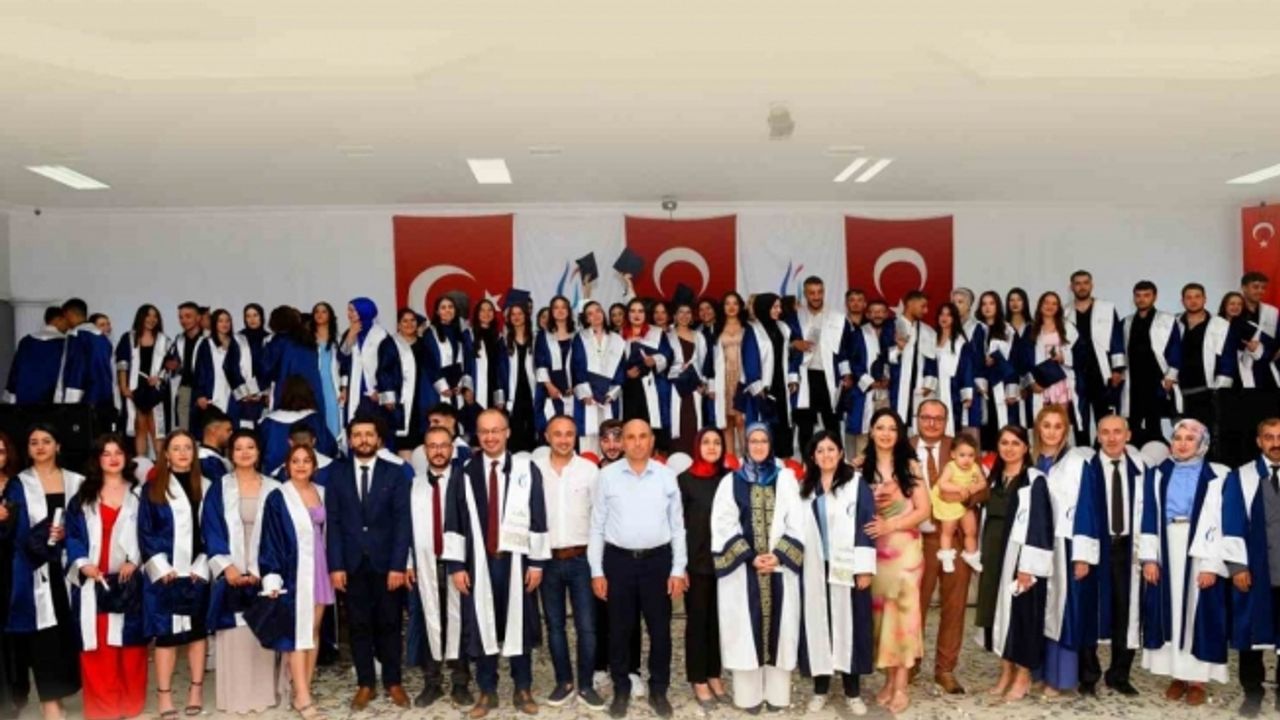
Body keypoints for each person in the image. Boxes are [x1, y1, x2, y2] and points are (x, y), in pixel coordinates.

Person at [443, 409, 549, 718]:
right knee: (482, 626)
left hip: (516, 561)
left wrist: (537, 563)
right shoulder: (465, 472)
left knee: (519, 624)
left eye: (496, 430)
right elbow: (453, 520)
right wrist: (456, 566)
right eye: (484, 431)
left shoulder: (526, 469)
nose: (490, 437)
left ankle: (523, 688)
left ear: (507, 433)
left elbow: (538, 514)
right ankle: (487, 690)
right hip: (478, 563)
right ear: (477, 435)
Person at [589, 419, 686, 718]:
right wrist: (597, 571)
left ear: (652, 440)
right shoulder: (607, 476)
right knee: (619, 630)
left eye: (643, 436)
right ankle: (621, 688)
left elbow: (678, 526)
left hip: (658, 562)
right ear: (623, 442)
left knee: (660, 631)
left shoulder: (666, 476)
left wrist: (678, 569)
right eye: (630, 437)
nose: (637, 442)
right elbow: (597, 526)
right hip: (618, 562)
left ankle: (659, 690)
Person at [710, 423, 804, 713]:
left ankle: (777, 696)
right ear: (746, 445)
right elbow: (723, 524)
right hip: (744, 571)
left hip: (779, 569)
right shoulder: (731, 482)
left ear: (770, 444)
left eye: (764, 440)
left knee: (781, 631)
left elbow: (797, 521)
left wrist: (778, 556)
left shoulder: (785, 479)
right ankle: (748, 697)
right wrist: (750, 556)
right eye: (754, 441)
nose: (759, 446)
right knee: (744, 634)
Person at [1138, 418, 1230, 704]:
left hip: (1201, 547)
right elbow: (1148, 515)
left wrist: (1211, 564)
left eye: (1190, 439)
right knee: (1171, 610)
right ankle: (1177, 675)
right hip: (1167, 545)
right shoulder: (1157, 474)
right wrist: (1149, 558)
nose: (1182, 444)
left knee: (1197, 611)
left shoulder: (1219, 475)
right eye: (1178, 438)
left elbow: (1223, 521)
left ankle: (1198, 680)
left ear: (1202, 444)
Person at [325, 414, 413, 710]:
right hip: (351, 565)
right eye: (357, 435)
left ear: (379, 439)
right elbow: (334, 523)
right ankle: (365, 684)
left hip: (387, 565)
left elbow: (403, 522)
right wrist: (336, 565)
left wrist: (398, 565)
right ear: (350, 441)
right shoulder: (337, 475)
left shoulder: (395, 473)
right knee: (358, 625)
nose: (363, 440)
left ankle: (393, 682)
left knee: (390, 623)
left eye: (369, 434)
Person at [4, 425, 84, 720]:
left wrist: (68, 533)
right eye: (33, 442)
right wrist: (41, 539)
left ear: (58, 446)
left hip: (69, 565)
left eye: (46, 441)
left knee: (66, 634)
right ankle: (50, 702)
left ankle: (62, 694)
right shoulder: (19, 484)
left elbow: (87, 523)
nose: (40, 447)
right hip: (34, 566)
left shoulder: (77, 481)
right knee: (44, 637)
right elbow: (13, 529)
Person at [65, 434, 147, 720]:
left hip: (128, 581)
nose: (113, 458)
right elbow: (73, 536)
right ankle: (104, 710)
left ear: (127, 457)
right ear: (97, 459)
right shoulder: (84, 497)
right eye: (106, 453)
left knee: (131, 646)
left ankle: (130, 705)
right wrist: (83, 563)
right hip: (94, 581)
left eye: (118, 452)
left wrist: (134, 560)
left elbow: (150, 532)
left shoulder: (140, 495)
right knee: (98, 647)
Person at [200, 429, 279, 714]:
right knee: (234, 633)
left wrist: (262, 569)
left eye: (250, 447)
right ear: (230, 454)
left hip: (263, 569)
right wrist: (227, 567)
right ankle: (235, 697)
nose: (245, 453)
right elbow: (211, 528)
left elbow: (279, 532)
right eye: (238, 448)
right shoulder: (219, 488)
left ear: (259, 452)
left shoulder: (274, 488)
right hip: (231, 570)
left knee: (261, 632)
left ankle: (262, 695)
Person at [796, 430, 875, 716]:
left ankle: (853, 692)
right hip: (815, 568)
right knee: (819, 625)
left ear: (841, 452)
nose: (826, 455)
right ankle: (820, 689)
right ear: (812, 456)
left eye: (831, 449)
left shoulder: (856, 484)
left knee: (850, 626)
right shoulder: (805, 489)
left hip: (848, 568)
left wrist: (864, 568)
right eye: (820, 450)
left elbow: (866, 524)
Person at [862, 408, 932, 715]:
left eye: (892, 428)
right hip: (874, 554)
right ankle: (889, 680)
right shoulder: (861, 467)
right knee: (882, 618)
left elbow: (924, 509)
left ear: (900, 433)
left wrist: (892, 524)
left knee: (903, 617)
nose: (886, 433)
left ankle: (902, 684)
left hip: (904, 552)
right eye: (880, 427)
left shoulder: (909, 465)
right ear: (871, 431)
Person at [910, 399, 983, 694]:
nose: (931, 423)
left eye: (938, 418)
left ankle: (945, 669)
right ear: (917, 418)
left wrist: (963, 497)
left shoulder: (961, 447)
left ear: (946, 420)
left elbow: (983, 488)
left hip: (953, 537)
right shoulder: (904, 446)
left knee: (954, 605)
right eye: (926, 417)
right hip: (916, 539)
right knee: (915, 605)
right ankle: (911, 662)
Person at [535, 416, 606, 709]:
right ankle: (563, 682)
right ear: (547, 436)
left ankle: (586, 685)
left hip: (582, 560)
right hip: (548, 561)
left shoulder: (589, 471)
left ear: (576, 437)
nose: (564, 440)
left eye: (569, 434)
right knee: (554, 626)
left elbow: (599, 518)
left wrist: (598, 565)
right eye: (558, 434)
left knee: (587, 626)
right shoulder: (535, 470)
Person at [258, 444, 334, 720]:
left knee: (312, 631)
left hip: (320, 568)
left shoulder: (322, 492)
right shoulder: (279, 497)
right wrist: (272, 576)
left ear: (314, 465)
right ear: (287, 465)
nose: (301, 465)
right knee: (298, 634)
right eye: (295, 461)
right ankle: (302, 697)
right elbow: (270, 538)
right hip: (295, 572)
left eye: (306, 461)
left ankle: (303, 687)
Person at [980, 424, 1054, 702]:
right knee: (997, 615)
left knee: (1023, 616)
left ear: (1026, 447)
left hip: (1020, 557)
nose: (1009, 448)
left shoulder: (1034, 481)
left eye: (1015, 443)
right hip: (996, 556)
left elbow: (1040, 524)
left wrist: (1028, 566)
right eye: (1004, 443)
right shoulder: (994, 479)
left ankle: (1023, 675)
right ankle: (1005, 672)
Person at [138, 430, 210, 718]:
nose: (182, 453)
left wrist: (203, 564)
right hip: (165, 574)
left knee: (197, 633)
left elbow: (214, 530)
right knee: (165, 637)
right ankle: (164, 695)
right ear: (165, 454)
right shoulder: (153, 488)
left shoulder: (207, 486)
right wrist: (160, 566)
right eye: (176, 448)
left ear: (194, 453)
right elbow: (145, 530)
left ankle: (196, 690)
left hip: (196, 571)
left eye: (187, 448)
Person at [1072, 415, 1143, 697]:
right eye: (1105, 432)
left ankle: (1119, 675)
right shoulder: (1086, 469)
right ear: (1098, 436)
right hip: (1096, 548)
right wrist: (1081, 556)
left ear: (1128, 435)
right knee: (1089, 610)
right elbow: (1081, 512)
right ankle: (1088, 676)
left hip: (1128, 549)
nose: (1111, 438)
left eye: (1117, 432)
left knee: (1127, 612)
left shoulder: (1141, 470)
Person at [408, 426, 473, 708]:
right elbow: (405, 528)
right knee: (428, 620)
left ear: (452, 449)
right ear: (425, 450)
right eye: (432, 446)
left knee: (461, 621)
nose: (438, 451)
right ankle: (432, 682)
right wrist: (407, 562)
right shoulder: (414, 485)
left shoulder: (464, 482)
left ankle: (460, 682)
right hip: (425, 563)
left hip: (457, 564)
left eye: (443, 445)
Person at [1031, 405, 1093, 697]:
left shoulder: (1077, 463)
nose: (1052, 432)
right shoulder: (1031, 460)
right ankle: (1036, 671)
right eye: (1047, 425)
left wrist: (1082, 555)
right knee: (1035, 607)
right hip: (1032, 544)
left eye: (1058, 426)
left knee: (1060, 609)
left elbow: (1086, 509)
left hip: (1063, 545)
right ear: (1038, 428)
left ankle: (1059, 677)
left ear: (1066, 430)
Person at [1222, 417, 1280, 716]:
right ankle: (1252, 691)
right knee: (1250, 632)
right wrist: (1237, 566)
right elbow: (1231, 523)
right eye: (1269, 437)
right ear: (1259, 442)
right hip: (1255, 570)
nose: (1276, 443)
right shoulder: (1241, 477)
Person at [676, 428, 730, 710]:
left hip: (724, 562)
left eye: (717, 442)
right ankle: (698, 678)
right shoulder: (684, 480)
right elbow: (677, 525)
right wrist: (679, 565)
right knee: (697, 622)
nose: (712, 447)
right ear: (697, 446)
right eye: (706, 442)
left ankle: (714, 674)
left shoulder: (728, 479)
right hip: (695, 564)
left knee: (718, 621)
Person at [789, 276, 852, 456]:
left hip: (829, 375)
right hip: (805, 376)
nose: (816, 297)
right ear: (805, 294)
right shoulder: (794, 318)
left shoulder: (838, 318)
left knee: (832, 422)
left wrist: (846, 374)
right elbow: (784, 345)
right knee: (805, 424)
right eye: (812, 293)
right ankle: (807, 464)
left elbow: (844, 349)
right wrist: (794, 344)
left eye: (819, 292)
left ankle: (838, 461)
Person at [1065, 270, 1127, 447]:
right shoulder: (1064, 312)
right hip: (1076, 372)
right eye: (1078, 283)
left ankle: (1104, 450)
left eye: (1085, 283)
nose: (1082, 287)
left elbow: (1116, 338)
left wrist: (1117, 370)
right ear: (1071, 287)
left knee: (1104, 415)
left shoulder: (1106, 308)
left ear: (1091, 285)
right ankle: (1082, 450)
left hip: (1101, 370)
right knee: (1079, 416)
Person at [1121, 281, 1182, 447]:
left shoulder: (1167, 320)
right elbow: (1120, 349)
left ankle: (1156, 451)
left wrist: (1171, 375)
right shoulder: (1126, 322)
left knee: (1154, 420)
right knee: (1133, 420)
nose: (1142, 299)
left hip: (1156, 378)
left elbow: (1175, 347)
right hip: (1133, 378)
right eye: (1138, 296)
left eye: (1146, 295)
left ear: (1154, 297)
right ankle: (1133, 452)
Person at [741, 293, 797, 458]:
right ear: (764, 308)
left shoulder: (783, 328)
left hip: (782, 386)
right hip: (764, 388)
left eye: (779, 307)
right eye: (775, 307)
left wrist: (793, 377)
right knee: (764, 427)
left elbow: (792, 355)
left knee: (784, 427)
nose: (779, 310)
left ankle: (783, 463)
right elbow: (749, 358)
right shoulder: (752, 330)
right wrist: (757, 387)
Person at [1176, 283, 1236, 436]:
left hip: (1208, 391)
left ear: (1205, 299)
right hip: (1180, 390)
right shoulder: (1174, 323)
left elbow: (1228, 357)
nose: (1193, 301)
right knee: (1184, 435)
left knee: (1208, 434)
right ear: (1182, 301)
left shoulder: (1220, 325)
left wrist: (1220, 391)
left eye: (1197, 297)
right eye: (1189, 297)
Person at [115, 304, 171, 458]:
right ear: (141, 317)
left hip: (155, 390)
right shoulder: (128, 338)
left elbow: (170, 365)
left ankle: (160, 465)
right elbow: (122, 364)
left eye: (155, 316)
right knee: (140, 427)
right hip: (135, 388)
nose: (152, 319)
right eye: (148, 315)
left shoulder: (164, 341)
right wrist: (124, 386)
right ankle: (141, 464)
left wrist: (159, 378)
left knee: (157, 430)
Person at [571, 301, 626, 452]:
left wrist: (612, 393)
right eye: (590, 314)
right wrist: (585, 393)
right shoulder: (580, 338)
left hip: (609, 396)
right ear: (586, 319)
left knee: (610, 433)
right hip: (588, 396)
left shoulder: (617, 339)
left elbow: (620, 368)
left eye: (598, 311)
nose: (595, 315)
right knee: (589, 435)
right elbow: (577, 366)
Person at [339, 297, 400, 431]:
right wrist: (350, 336)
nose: (349, 314)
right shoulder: (349, 333)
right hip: (355, 388)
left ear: (364, 311)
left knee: (376, 427)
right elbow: (343, 361)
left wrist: (383, 391)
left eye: (353, 310)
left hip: (374, 391)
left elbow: (389, 366)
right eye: (348, 310)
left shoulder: (381, 335)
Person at [619, 299, 673, 450]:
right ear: (627, 314)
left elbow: (667, 354)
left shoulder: (656, 333)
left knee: (650, 422)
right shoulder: (619, 335)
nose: (636, 315)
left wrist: (654, 360)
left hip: (651, 384)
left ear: (646, 314)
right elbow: (613, 364)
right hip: (628, 387)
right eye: (633, 311)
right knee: (631, 424)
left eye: (640, 311)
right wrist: (626, 373)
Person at [0, 432, 28, 718]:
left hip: (10, 567)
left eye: (0, 451)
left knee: (10, 634)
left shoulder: (16, 486)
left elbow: (19, 530)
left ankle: (14, 697)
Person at [59, 298, 119, 430]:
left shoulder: (78, 336)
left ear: (69, 314)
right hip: (106, 399)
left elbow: (76, 371)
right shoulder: (104, 340)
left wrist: (69, 404)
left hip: (85, 401)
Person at [972, 291, 1021, 448]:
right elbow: (971, 356)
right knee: (984, 422)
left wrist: (1012, 388)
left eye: (991, 303)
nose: (987, 307)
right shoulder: (975, 329)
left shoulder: (1008, 330)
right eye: (984, 304)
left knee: (1004, 421)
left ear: (998, 306)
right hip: (981, 386)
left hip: (1002, 383)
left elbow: (1014, 360)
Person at [260, 377, 340, 474]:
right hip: (312, 474)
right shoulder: (314, 419)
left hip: (273, 475)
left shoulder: (269, 422)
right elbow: (329, 449)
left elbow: (260, 452)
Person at [1019, 291, 1076, 425]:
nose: (1050, 306)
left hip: (1061, 380)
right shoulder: (1030, 329)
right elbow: (1023, 359)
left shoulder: (1068, 327)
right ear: (1040, 305)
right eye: (1046, 302)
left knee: (1061, 421)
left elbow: (1080, 352)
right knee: (1041, 422)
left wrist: (1064, 357)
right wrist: (1032, 382)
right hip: (1039, 382)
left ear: (1059, 307)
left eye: (1054, 303)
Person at [931, 434, 984, 573]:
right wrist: (959, 488)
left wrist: (974, 488)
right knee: (948, 530)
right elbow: (942, 484)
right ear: (953, 454)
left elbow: (983, 482)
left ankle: (971, 555)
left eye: (971, 455)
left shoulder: (975, 467)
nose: (967, 459)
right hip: (949, 504)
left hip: (965, 504)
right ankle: (946, 556)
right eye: (962, 455)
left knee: (971, 530)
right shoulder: (951, 467)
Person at [886, 291, 937, 432]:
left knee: (919, 426)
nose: (926, 311)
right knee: (896, 424)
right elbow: (883, 356)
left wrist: (929, 383)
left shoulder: (928, 331)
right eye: (922, 306)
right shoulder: (891, 326)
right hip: (896, 385)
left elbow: (931, 360)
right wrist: (898, 348)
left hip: (919, 387)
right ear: (910, 304)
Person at [666, 301, 708, 457]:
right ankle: (677, 459)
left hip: (694, 387)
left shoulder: (699, 336)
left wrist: (703, 383)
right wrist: (677, 370)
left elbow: (705, 362)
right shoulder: (667, 336)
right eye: (681, 312)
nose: (684, 316)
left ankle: (695, 458)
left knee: (693, 421)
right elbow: (663, 361)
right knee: (677, 422)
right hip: (674, 387)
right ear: (675, 316)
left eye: (688, 312)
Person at [193, 309, 245, 428]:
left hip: (232, 393)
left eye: (227, 321)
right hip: (212, 391)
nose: (224, 324)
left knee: (232, 426)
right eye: (220, 321)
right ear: (214, 323)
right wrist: (200, 394)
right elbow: (200, 371)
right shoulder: (207, 344)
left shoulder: (237, 343)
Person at [711, 292, 749, 456]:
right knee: (727, 421)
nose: (731, 307)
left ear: (740, 306)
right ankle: (730, 460)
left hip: (742, 377)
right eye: (727, 303)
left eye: (735, 303)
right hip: (724, 379)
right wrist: (712, 385)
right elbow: (710, 359)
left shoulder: (748, 327)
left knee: (742, 420)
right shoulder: (716, 327)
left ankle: (747, 459)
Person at [4, 306, 66, 406]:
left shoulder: (26, 341)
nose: (67, 326)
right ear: (59, 319)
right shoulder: (64, 343)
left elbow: (15, 370)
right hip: (52, 396)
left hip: (25, 395)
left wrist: (11, 396)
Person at [534, 295, 577, 438]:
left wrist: (576, 385)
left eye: (563, 307)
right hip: (549, 388)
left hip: (572, 389)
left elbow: (581, 363)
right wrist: (549, 386)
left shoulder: (577, 335)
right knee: (551, 427)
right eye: (556, 307)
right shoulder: (543, 335)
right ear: (551, 311)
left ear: (569, 311)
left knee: (571, 428)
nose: (560, 310)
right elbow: (539, 363)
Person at [389, 308, 428, 459]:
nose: (409, 324)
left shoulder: (424, 345)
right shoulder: (390, 344)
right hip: (401, 399)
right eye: (404, 321)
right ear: (398, 325)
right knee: (404, 439)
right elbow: (384, 371)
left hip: (422, 398)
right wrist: (389, 396)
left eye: (412, 320)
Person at [423, 295, 470, 419]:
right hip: (439, 386)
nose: (447, 310)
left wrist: (461, 383)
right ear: (437, 312)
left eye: (450, 307)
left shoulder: (460, 332)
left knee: (458, 420)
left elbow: (465, 359)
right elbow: (429, 362)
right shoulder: (430, 333)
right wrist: (442, 386)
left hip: (457, 384)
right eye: (443, 308)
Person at [223, 303, 270, 429]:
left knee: (261, 431)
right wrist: (245, 392)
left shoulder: (270, 339)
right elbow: (230, 366)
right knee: (240, 432)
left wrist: (261, 392)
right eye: (248, 316)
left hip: (262, 396)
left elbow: (271, 368)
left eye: (255, 315)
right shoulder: (238, 338)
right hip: (242, 396)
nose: (252, 319)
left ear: (261, 317)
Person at [934, 302, 978, 436]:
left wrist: (967, 395)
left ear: (954, 318)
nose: (944, 318)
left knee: (950, 423)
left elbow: (967, 369)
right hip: (933, 387)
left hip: (951, 387)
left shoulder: (960, 342)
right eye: (941, 314)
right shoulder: (931, 338)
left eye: (948, 315)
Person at [164, 301, 206, 431]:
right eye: (181, 317)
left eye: (188, 316)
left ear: (198, 317)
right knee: (184, 428)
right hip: (185, 388)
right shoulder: (179, 339)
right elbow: (172, 361)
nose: (184, 321)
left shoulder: (208, 339)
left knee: (206, 428)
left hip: (205, 390)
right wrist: (171, 365)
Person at [503, 300, 538, 453]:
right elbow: (500, 369)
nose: (516, 317)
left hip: (532, 389)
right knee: (514, 427)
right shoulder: (504, 340)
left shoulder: (536, 338)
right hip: (513, 389)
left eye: (520, 314)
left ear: (526, 316)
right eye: (513, 314)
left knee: (532, 426)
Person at [310, 302, 345, 443]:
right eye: (317, 311)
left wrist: (344, 387)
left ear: (330, 315)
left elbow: (344, 365)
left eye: (324, 311)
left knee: (332, 418)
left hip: (331, 385)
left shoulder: (338, 338)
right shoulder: (307, 338)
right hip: (313, 384)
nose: (320, 314)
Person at [197, 409, 233, 483]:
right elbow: (222, 486)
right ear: (214, 430)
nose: (231, 434)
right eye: (228, 430)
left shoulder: (212, 457)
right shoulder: (207, 460)